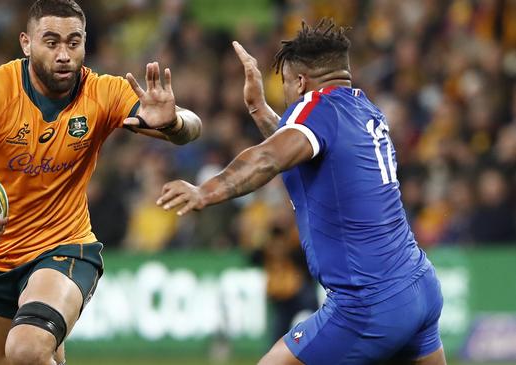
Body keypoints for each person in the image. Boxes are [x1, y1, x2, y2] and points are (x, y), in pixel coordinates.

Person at [0, 1, 201, 364]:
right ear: (26, 43)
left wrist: (173, 122)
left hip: (65, 248)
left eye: (73, 42)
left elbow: (189, 126)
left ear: (84, 43)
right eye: (51, 42)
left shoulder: (103, 93)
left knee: (26, 350)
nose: (64, 54)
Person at [157, 19, 446, 365]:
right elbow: (299, 153)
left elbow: (268, 157)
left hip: (368, 303)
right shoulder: (364, 110)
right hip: (419, 287)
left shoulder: (317, 107)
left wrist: (205, 191)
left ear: (300, 81)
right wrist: (258, 109)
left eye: (284, 84)